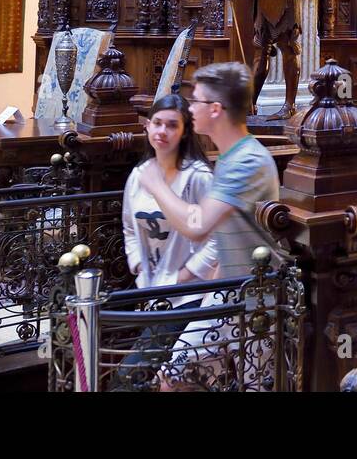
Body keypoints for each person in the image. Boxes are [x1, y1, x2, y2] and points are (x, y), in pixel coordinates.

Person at [139, 62, 280, 388]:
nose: (190, 108)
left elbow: (198, 225)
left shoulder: (247, 161)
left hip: (256, 301)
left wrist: (157, 184)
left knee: (255, 386)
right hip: (227, 296)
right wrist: (205, 292)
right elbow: (220, 236)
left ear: (215, 109)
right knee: (171, 380)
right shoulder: (229, 155)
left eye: (196, 101)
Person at [117, 93, 217, 389]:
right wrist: (136, 263)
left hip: (187, 297)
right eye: (157, 123)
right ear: (147, 127)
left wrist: (186, 275)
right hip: (151, 293)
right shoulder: (139, 175)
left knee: (130, 376)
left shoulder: (198, 177)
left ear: (185, 131)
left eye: (172, 125)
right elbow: (129, 227)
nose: (162, 131)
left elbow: (217, 238)